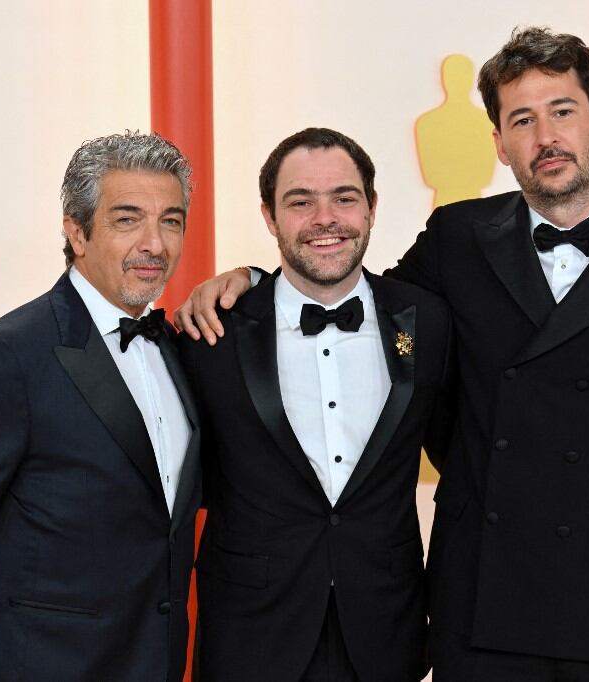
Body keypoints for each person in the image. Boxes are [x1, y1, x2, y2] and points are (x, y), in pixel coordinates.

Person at [175, 27, 589, 682]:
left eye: (562, 111)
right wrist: (254, 281)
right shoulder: (460, 237)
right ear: (499, 143)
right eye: (521, 121)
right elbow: (354, 296)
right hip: (478, 598)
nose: (545, 137)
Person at [0, 132, 201, 681]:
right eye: (128, 220)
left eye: (171, 221)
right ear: (77, 232)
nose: (155, 244)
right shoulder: (9, 354)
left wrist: (250, 277)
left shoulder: (179, 349)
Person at [177, 127, 454, 682]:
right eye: (300, 202)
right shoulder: (212, 333)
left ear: (371, 207)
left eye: (344, 198)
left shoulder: (427, 320)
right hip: (250, 635)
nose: (325, 219)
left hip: (384, 629)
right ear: (270, 216)